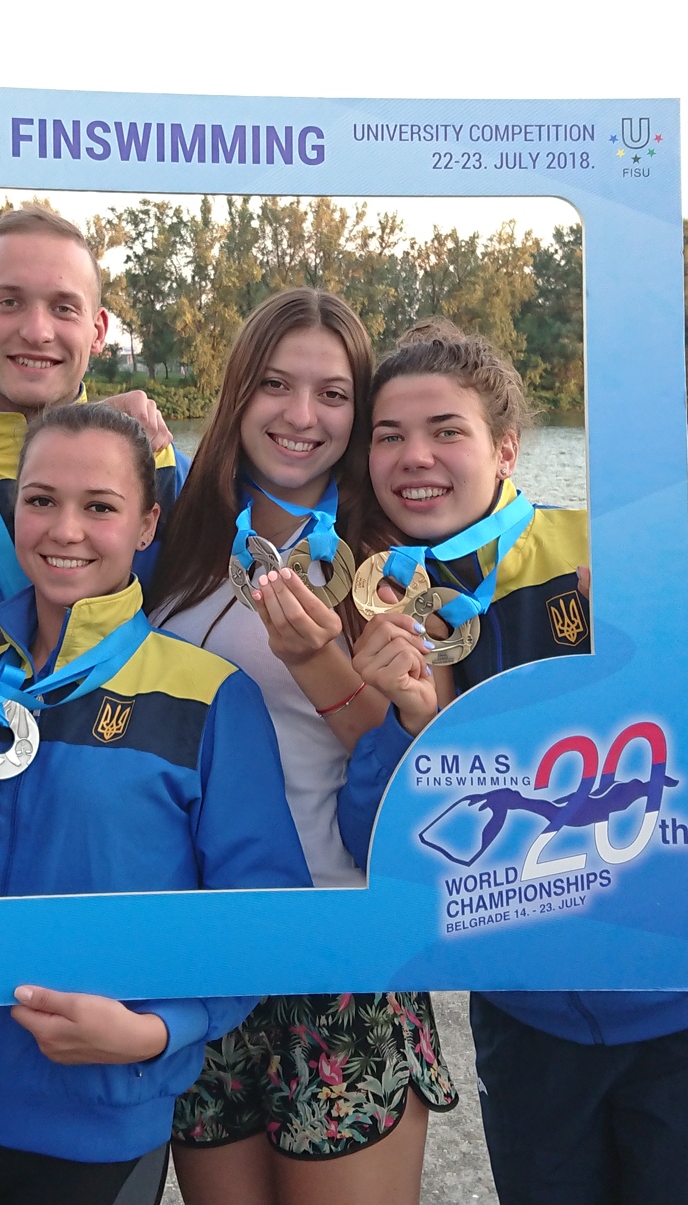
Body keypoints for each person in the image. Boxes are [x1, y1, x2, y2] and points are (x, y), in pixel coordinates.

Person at [337, 320, 688, 1205]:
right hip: (528, 1027)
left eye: (446, 430)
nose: (414, 456)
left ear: (505, 449)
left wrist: (667, 642)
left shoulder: (612, 549)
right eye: (389, 435)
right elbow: (377, 845)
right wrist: (410, 722)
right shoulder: (387, 602)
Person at [0, 401, 312, 1204]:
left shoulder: (208, 696)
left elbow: (265, 913)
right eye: (41, 500)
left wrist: (156, 1030)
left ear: (147, 525)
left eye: (100, 506)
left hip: (103, 1123)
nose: (65, 529)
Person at [147, 291, 457, 1204]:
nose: (301, 415)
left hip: (343, 939)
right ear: (239, 393)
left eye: (332, 394)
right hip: (203, 942)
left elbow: (429, 775)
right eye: (276, 385)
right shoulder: (177, 535)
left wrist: (321, 665)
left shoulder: (394, 560)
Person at [0, 204, 183, 707]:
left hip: (113, 749)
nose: (38, 331)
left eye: (64, 308)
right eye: (10, 302)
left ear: (98, 330)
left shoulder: (157, 462)